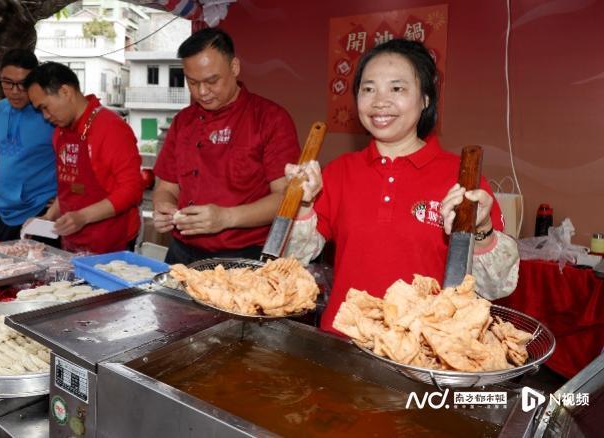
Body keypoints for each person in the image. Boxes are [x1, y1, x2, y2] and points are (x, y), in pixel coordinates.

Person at [283, 38, 519, 336]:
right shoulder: (341, 170)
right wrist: (301, 204)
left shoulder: (462, 178)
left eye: (397, 88)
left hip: (422, 351)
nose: (380, 101)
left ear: (425, 99)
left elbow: (495, 286)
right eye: (368, 89)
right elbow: (293, 258)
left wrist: (482, 227)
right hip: (343, 344)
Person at [152, 28, 300, 264]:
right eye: (192, 82)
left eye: (212, 81)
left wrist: (226, 217)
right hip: (181, 252)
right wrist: (165, 208)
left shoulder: (270, 119)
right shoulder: (183, 121)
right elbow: (166, 187)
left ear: (234, 68)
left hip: (243, 256)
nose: (202, 92)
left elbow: (285, 198)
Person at [24, 62, 143, 253]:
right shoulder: (60, 133)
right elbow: (68, 187)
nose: (45, 117)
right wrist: (49, 217)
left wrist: (83, 217)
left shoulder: (110, 127)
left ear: (65, 91)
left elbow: (132, 190)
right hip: (72, 241)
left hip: (111, 243)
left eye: (45, 107)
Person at [0, 50, 57, 241]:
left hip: (40, 210)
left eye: (23, 84)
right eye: (7, 82)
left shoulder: (50, 113)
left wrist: (61, 198)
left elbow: (72, 159)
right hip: (2, 209)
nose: (15, 91)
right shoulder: (0, 109)